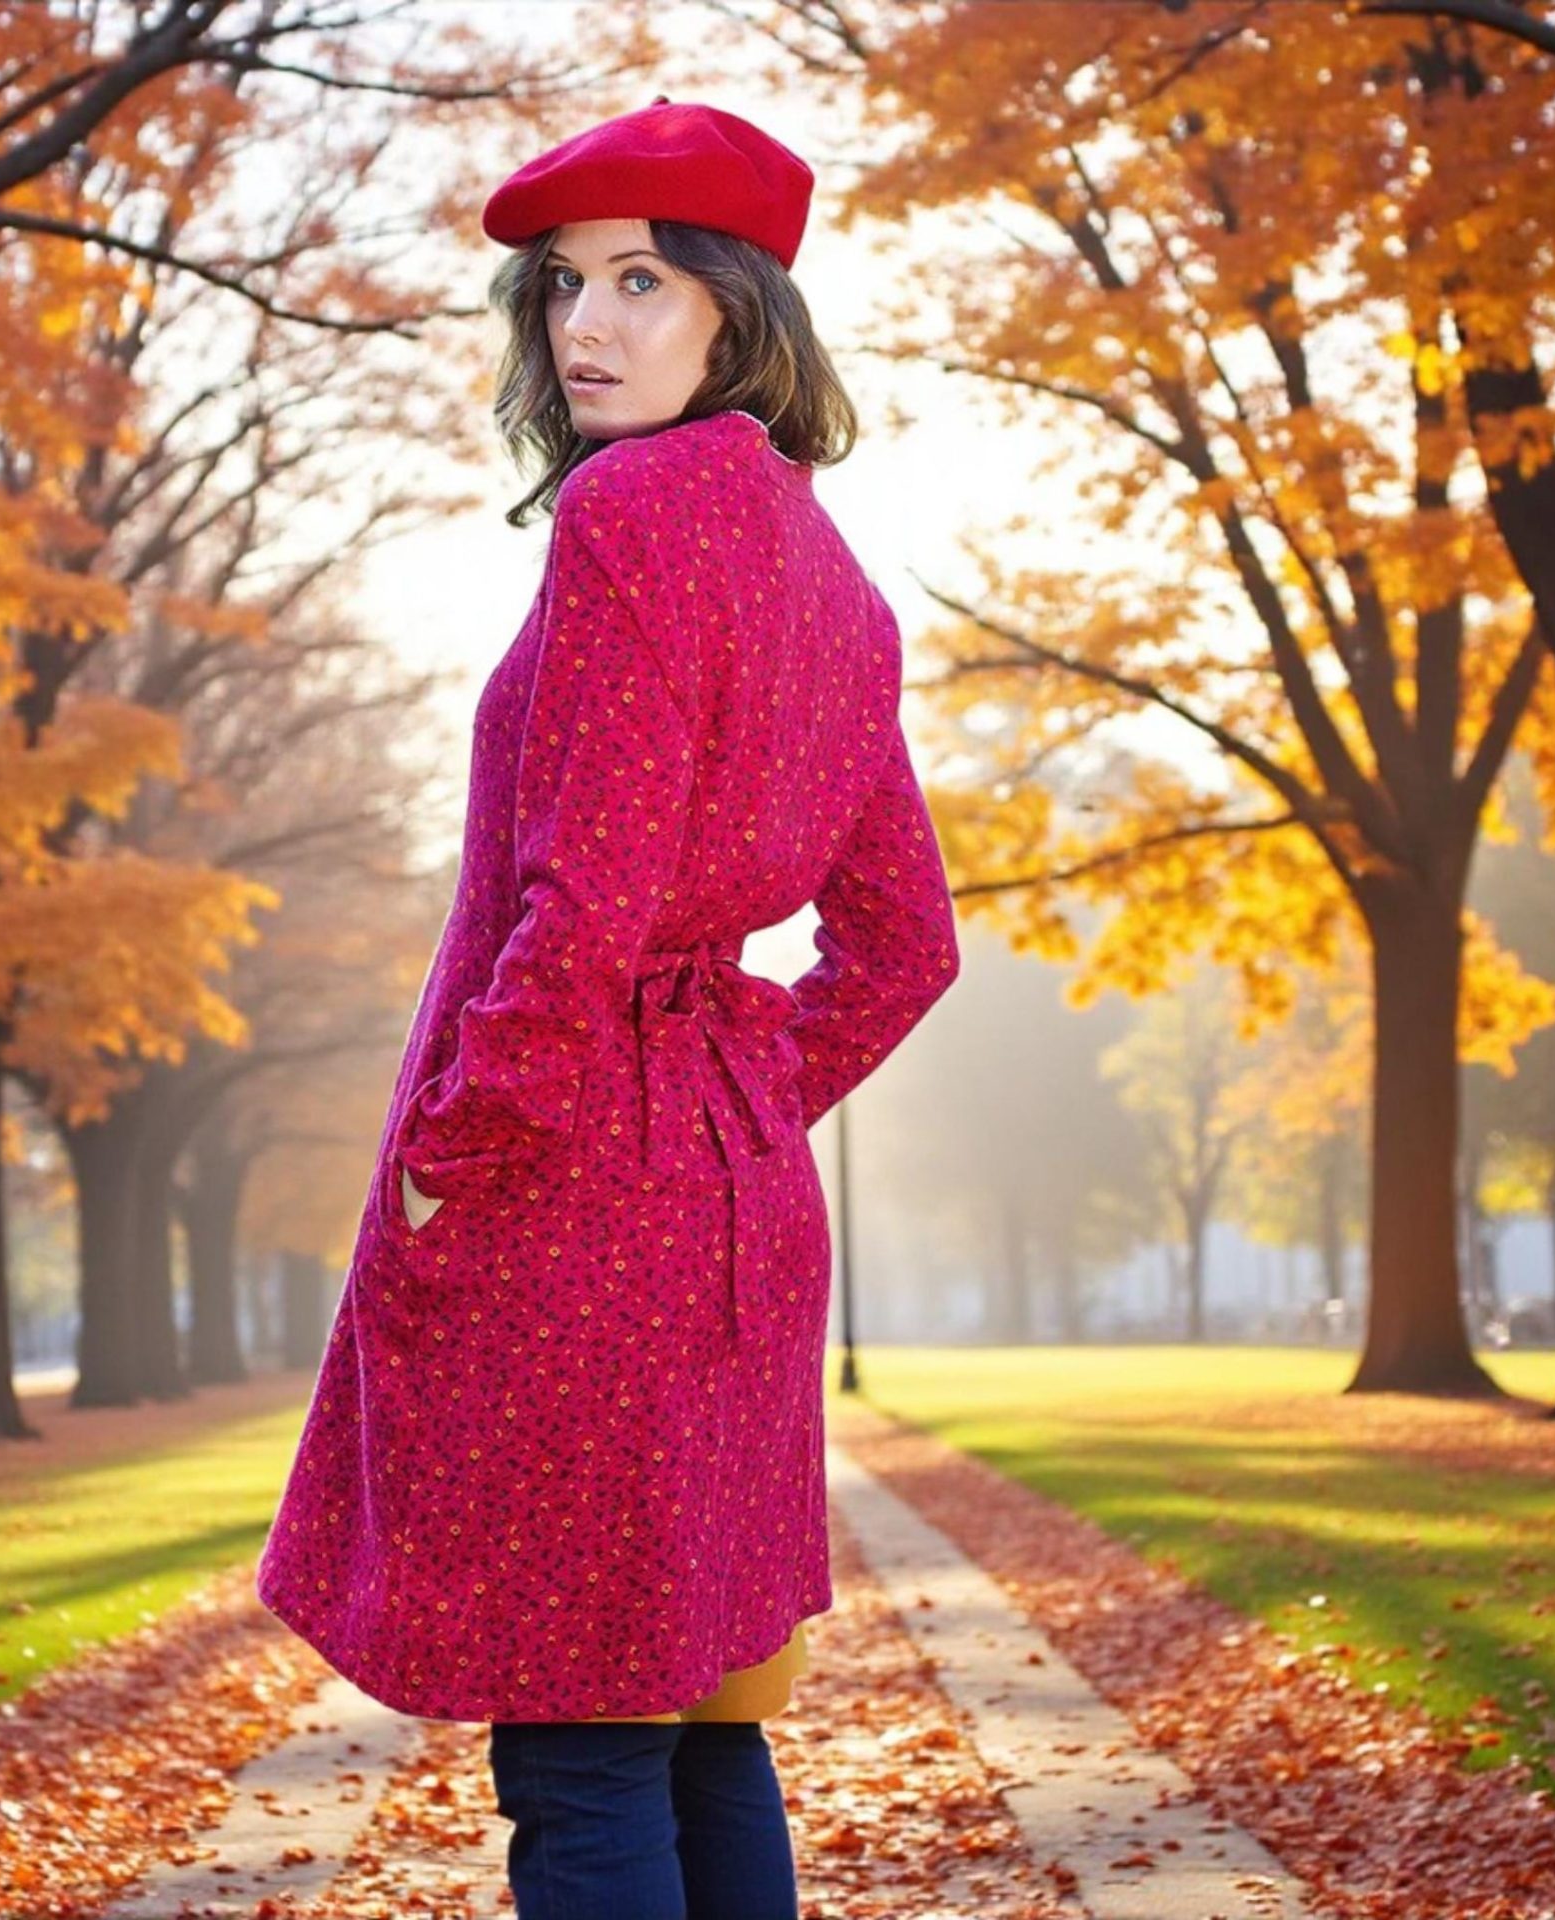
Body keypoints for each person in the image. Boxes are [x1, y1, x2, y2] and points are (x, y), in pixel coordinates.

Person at [254, 94, 962, 1920]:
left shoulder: (632, 510)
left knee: (581, 1749)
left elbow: (584, 905)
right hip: (730, 1201)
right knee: (705, 1723)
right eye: (564, 284)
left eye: (643, 281)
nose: (587, 324)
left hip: (573, 1189)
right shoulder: (836, 578)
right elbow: (905, 949)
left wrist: (460, 1147)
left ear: (741, 307)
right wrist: (738, 1094)